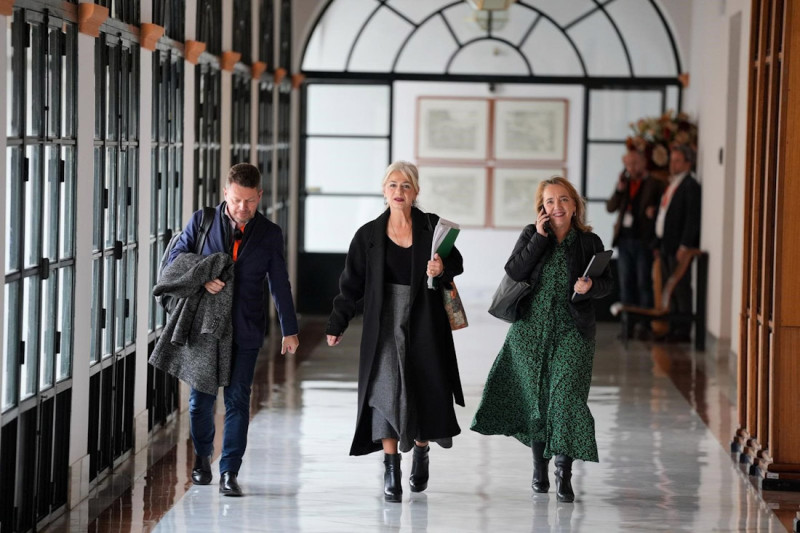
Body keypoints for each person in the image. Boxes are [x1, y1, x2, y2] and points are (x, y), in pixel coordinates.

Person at [326, 161, 465, 503]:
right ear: (384, 191)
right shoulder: (369, 235)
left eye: (405, 186)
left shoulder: (432, 226)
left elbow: (457, 262)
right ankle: (391, 469)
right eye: (392, 185)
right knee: (385, 390)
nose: (398, 192)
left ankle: (420, 449)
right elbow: (351, 284)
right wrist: (337, 322)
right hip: (384, 322)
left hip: (425, 320)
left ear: (415, 192)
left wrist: (442, 266)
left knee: (423, 389)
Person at [471, 176, 612, 503]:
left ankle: (563, 472)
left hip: (573, 331)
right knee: (537, 402)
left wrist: (591, 288)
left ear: (574, 204)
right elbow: (515, 271)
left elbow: (609, 284)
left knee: (565, 400)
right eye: (550, 201)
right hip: (530, 331)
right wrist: (538, 237)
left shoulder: (588, 242)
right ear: (542, 208)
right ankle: (539, 467)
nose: (557, 207)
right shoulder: (532, 234)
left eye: (563, 200)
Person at [169, 162, 300, 497]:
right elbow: (177, 260)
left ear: (259, 196)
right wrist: (203, 276)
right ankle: (202, 458)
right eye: (237, 200)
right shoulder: (202, 221)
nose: (243, 208)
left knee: (239, 400)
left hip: (246, 328)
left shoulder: (270, 234)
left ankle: (229, 471)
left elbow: (279, 283)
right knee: (201, 401)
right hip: (206, 329)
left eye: (250, 201)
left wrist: (290, 328)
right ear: (225, 192)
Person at [606, 149, 665, 339]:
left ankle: (644, 326)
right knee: (626, 284)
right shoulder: (625, 184)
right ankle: (627, 326)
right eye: (628, 164)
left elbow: (663, 211)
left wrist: (654, 211)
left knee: (643, 283)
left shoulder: (655, 183)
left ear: (643, 163)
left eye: (634, 164)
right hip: (624, 241)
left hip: (644, 241)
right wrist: (619, 189)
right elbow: (610, 207)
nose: (631, 168)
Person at [652, 144, 701, 343]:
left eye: (678, 160)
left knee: (680, 287)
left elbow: (692, 217)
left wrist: (684, 245)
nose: (673, 164)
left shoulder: (690, 185)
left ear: (688, 163)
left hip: (678, 247)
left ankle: (683, 329)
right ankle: (671, 326)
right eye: (672, 160)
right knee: (667, 287)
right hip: (666, 244)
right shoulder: (672, 184)